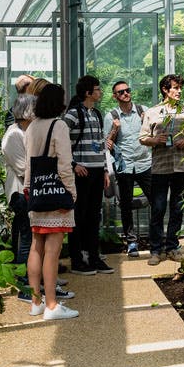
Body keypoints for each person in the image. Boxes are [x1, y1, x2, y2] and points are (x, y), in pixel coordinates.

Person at [2, 93, 73, 302]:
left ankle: (40, 286)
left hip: (32, 190)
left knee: (36, 242)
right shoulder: (14, 135)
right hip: (22, 193)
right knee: (29, 241)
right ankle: (28, 288)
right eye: (34, 107)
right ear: (26, 111)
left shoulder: (27, 131)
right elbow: (25, 168)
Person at [22, 83, 79, 320]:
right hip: (56, 194)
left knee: (36, 246)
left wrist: (28, 188)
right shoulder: (59, 126)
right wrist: (71, 192)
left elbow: (29, 163)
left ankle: (36, 301)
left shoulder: (32, 126)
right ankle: (52, 306)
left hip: (36, 191)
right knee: (53, 251)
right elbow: (64, 164)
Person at [139, 73, 184, 266]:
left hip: (181, 166)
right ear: (165, 89)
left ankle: (172, 247)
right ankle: (156, 250)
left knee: (177, 207)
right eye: (176, 87)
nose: (179, 91)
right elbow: (142, 137)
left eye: (181, 87)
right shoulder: (153, 112)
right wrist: (155, 140)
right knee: (158, 208)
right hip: (160, 167)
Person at [64, 74, 113, 275]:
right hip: (81, 172)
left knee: (94, 216)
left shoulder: (97, 114)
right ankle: (77, 259)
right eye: (98, 89)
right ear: (88, 92)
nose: (100, 92)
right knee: (79, 215)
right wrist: (73, 164)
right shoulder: (73, 114)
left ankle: (93, 256)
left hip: (95, 171)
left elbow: (100, 145)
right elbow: (60, 141)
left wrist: (104, 169)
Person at [103, 80, 152, 257]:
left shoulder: (142, 110)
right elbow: (107, 145)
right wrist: (115, 130)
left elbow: (153, 134)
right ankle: (131, 242)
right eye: (121, 92)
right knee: (125, 205)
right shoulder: (111, 116)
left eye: (127, 90)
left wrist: (146, 122)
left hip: (144, 163)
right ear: (115, 96)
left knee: (156, 199)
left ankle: (156, 239)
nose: (125, 94)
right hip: (124, 167)